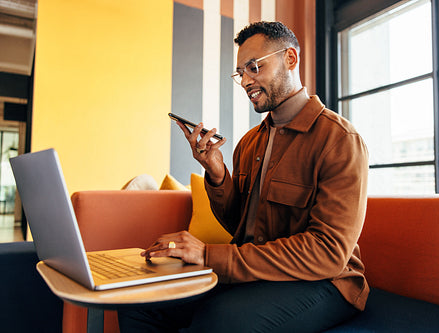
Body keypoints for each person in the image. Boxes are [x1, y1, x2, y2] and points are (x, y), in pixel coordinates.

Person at [119, 21, 369, 333]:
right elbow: (238, 222)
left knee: (221, 321)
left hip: (325, 282)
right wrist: (217, 173)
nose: (246, 81)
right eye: (241, 73)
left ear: (290, 59)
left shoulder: (340, 139)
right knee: (141, 302)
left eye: (254, 67)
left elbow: (327, 252)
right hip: (257, 272)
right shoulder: (250, 142)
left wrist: (209, 255)